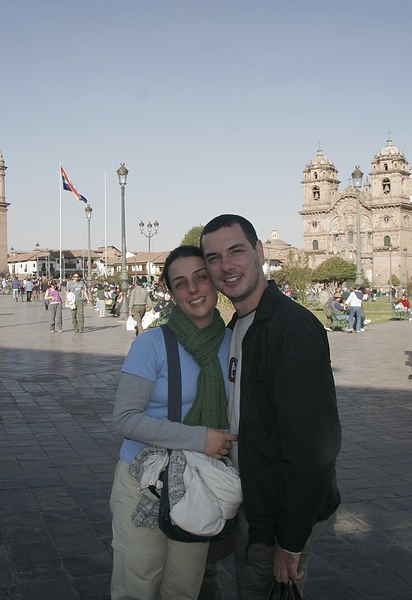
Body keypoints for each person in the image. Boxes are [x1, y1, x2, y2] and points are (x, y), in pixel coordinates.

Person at [200, 215, 341, 599]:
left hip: (278, 509)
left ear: (259, 252)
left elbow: (315, 446)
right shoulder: (239, 327)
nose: (226, 266)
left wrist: (291, 540)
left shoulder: (291, 328)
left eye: (236, 251)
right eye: (213, 258)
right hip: (255, 499)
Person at [109, 245, 236, 599]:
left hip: (200, 481)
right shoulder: (150, 345)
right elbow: (125, 418)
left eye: (200, 277)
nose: (193, 289)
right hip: (143, 479)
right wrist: (199, 438)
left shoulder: (234, 343)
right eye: (181, 283)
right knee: (137, 583)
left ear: (213, 281)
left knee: (183, 587)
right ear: (171, 292)